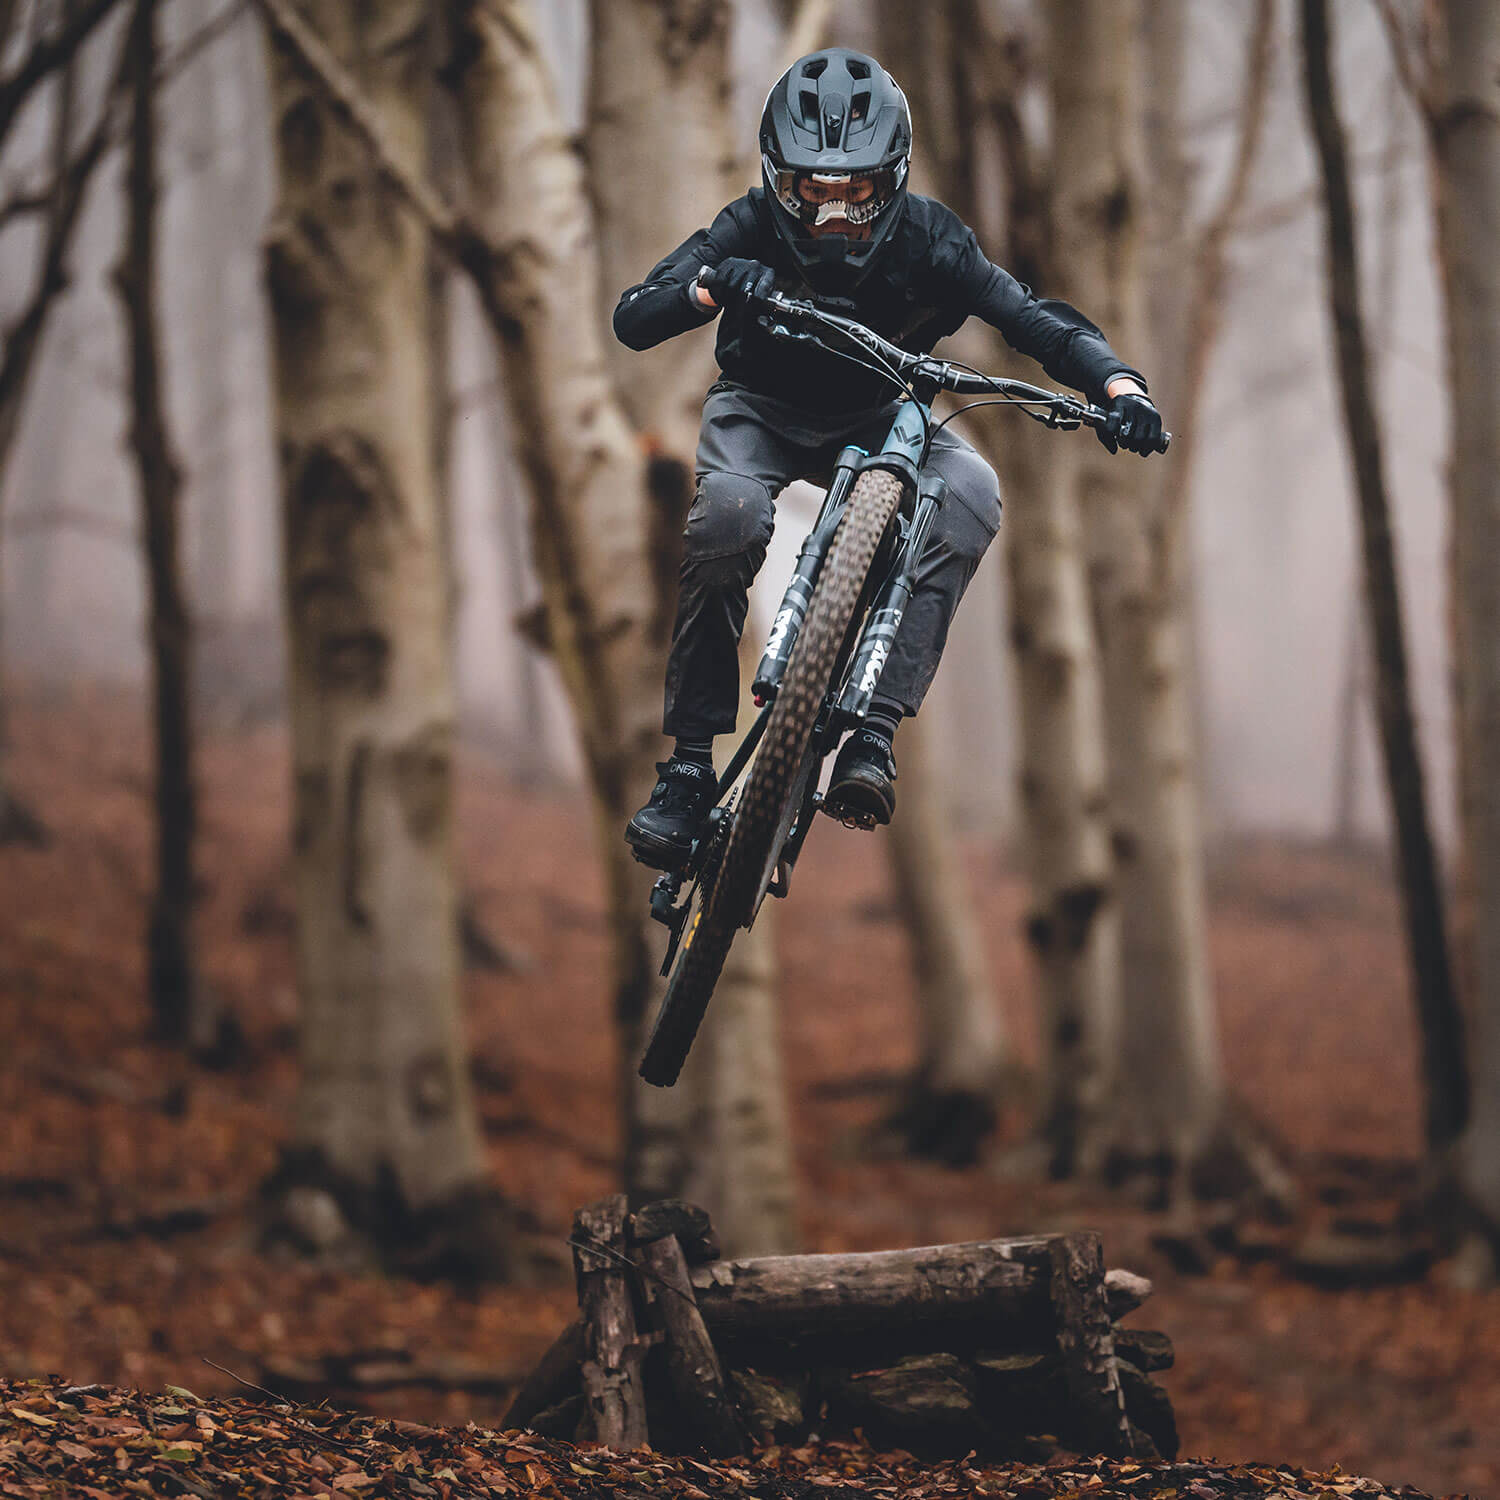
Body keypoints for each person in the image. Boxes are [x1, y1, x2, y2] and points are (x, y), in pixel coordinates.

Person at [616, 47, 1162, 871]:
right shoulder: (749, 225)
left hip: (883, 414)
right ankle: (690, 769)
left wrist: (1117, 383)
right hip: (758, 410)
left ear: (893, 177)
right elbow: (634, 316)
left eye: (858, 192)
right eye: (812, 190)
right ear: (777, 177)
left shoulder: (934, 242)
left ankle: (873, 732)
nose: (833, 214)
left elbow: (1034, 320)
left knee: (973, 489)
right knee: (728, 520)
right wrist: (709, 287)